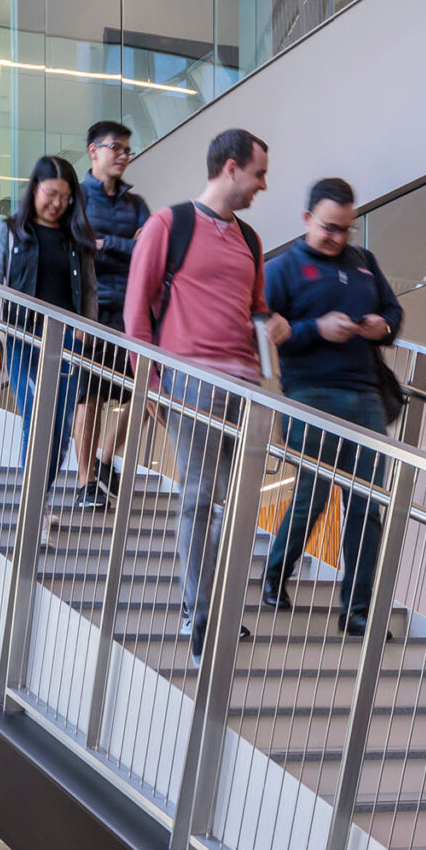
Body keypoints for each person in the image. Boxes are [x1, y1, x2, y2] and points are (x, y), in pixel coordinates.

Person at [124, 128, 290, 662]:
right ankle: (203, 617)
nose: (263, 184)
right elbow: (135, 312)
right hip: (190, 377)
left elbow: (257, 307)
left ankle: (209, 603)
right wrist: (148, 381)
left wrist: (272, 325)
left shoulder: (251, 239)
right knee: (201, 496)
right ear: (231, 168)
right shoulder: (169, 225)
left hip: (244, 383)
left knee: (234, 503)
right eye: (259, 172)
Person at [261, 176, 404, 636]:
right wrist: (314, 330)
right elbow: (265, 330)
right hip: (309, 393)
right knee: (314, 494)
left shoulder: (364, 263)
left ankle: (357, 610)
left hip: (365, 395)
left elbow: (394, 312)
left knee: (367, 504)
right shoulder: (281, 269)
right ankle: (276, 572)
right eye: (329, 227)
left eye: (346, 229)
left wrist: (381, 325)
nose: (338, 237)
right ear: (307, 220)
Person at [0, 156, 96, 490]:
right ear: (34, 189)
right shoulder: (11, 231)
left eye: (65, 197)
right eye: (51, 193)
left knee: (61, 425)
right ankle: (33, 504)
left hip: (69, 344)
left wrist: (86, 328)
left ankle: (39, 499)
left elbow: (89, 290)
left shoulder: (77, 238)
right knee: (37, 418)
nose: (57, 203)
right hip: (23, 339)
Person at [73, 119, 151, 508]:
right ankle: (87, 482)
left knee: (147, 392)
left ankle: (105, 458)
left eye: (126, 149)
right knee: (90, 398)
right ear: (94, 151)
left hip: (131, 311)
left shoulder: (136, 204)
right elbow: (82, 245)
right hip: (90, 310)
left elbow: (148, 250)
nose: (123, 155)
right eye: (115, 148)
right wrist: (123, 245)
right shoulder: (78, 199)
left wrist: (108, 243)